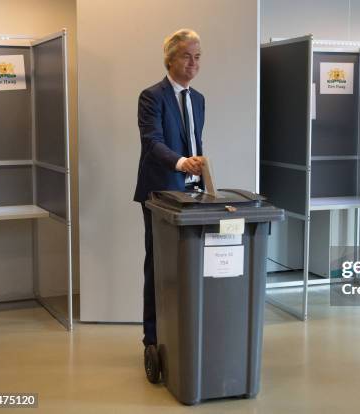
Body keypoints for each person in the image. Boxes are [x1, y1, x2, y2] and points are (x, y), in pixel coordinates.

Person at [133, 29, 205, 350]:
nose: (193, 63)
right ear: (170, 59)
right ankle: (152, 338)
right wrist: (180, 163)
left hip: (193, 194)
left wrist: (200, 173)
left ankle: (183, 332)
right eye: (187, 56)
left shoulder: (199, 100)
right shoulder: (152, 96)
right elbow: (153, 142)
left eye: (198, 56)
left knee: (188, 265)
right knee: (159, 265)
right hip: (160, 194)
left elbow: (194, 142)